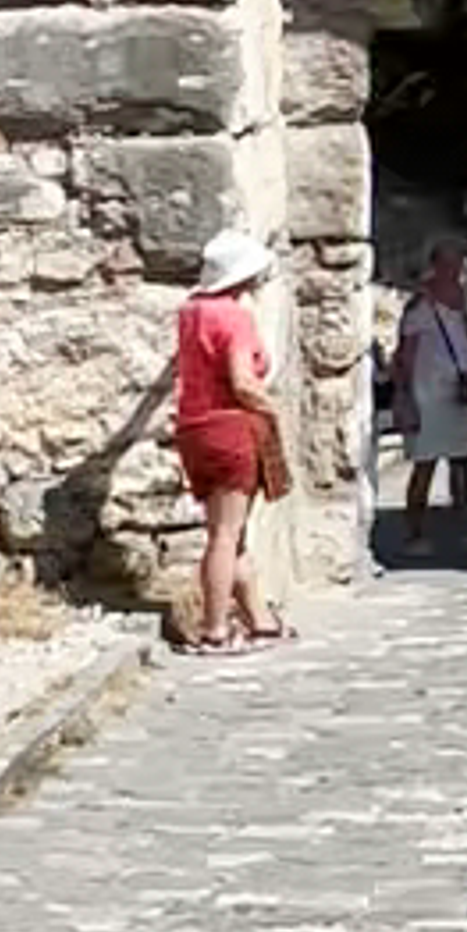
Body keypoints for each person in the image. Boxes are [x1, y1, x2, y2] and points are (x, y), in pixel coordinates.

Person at [169, 229, 292, 653]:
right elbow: (242, 380)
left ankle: (261, 620)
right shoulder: (234, 317)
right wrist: (271, 409)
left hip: (194, 427)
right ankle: (215, 628)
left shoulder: (191, 312)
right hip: (229, 427)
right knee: (225, 534)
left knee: (229, 532)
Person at [383, 242, 467, 536]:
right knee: (425, 464)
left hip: (462, 391)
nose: (455, 271)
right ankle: (415, 532)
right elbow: (405, 353)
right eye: (448, 264)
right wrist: (404, 397)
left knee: (462, 463)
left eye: (458, 264)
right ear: (435, 266)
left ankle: (465, 528)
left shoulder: (465, 300)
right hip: (428, 394)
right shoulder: (420, 305)